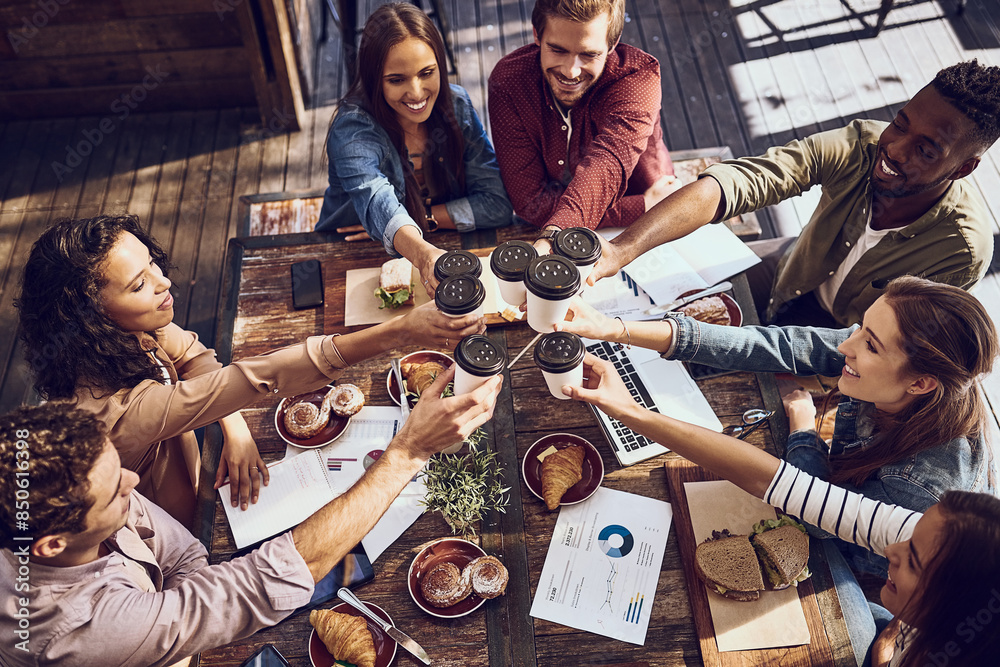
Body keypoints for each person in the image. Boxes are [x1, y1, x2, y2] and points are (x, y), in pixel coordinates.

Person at [15, 214, 485, 529]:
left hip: (205, 488)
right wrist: (397, 332)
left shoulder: (129, 331)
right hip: (169, 531)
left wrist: (234, 428)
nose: (165, 282)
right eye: (140, 285)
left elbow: (196, 359)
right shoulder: (114, 414)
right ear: (92, 316)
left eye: (154, 264)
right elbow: (261, 377)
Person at [0, 371, 500, 666]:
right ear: (50, 546)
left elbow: (185, 554)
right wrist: (408, 453)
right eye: (114, 491)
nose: (133, 487)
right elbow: (252, 588)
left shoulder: (56, 508)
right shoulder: (73, 627)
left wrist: (189, 617)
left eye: (120, 471)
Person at [560, 352, 1000, 667]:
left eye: (914, 561)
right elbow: (780, 483)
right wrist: (632, 413)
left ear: (955, 608)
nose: (893, 547)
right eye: (911, 532)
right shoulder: (917, 538)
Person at [555, 276, 996, 577]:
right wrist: (613, 328)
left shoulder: (923, 491)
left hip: (857, 568)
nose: (845, 344)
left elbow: (817, 515)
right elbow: (773, 345)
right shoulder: (920, 379)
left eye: (870, 345)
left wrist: (804, 432)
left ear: (920, 382)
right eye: (860, 328)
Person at [585, 59, 1000, 327]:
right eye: (900, 123)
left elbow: (895, 347)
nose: (894, 148)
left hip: (842, 341)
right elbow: (740, 181)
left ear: (963, 169)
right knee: (660, 309)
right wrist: (620, 251)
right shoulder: (861, 145)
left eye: (926, 151)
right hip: (793, 271)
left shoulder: (961, 250)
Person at [316, 3, 512, 296]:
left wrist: (423, 220)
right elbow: (378, 203)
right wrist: (423, 253)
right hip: (347, 256)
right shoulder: (351, 130)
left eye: (427, 72)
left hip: (434, 247)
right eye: (396, 80)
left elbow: (497, 205)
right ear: (373, 80)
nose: (417, 92)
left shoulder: (457, 106)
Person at [487, 0, 680, 250]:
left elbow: (605, 168)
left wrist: (554, 233)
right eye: (558, 50)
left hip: (647, 219)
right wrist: (639, 205)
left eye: (589, 54)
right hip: (644, 205)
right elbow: (530, 204)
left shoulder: (638, 80)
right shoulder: (508, 83)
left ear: (613, 43)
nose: (571, 72)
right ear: (537, 33)